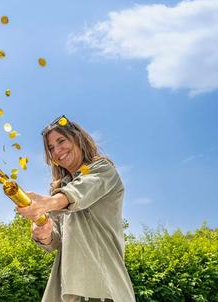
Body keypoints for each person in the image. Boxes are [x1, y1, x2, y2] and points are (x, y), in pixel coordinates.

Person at [16, 116, 136, 302]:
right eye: (50, 148)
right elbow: (55, 239)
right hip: (67, 289)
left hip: (103, 287)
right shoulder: (60, 189)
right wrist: (44, 231)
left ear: (77, 138)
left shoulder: (102, 170)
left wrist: (47, 203)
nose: (57, 151)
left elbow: (79, 192)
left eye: (61, 141)